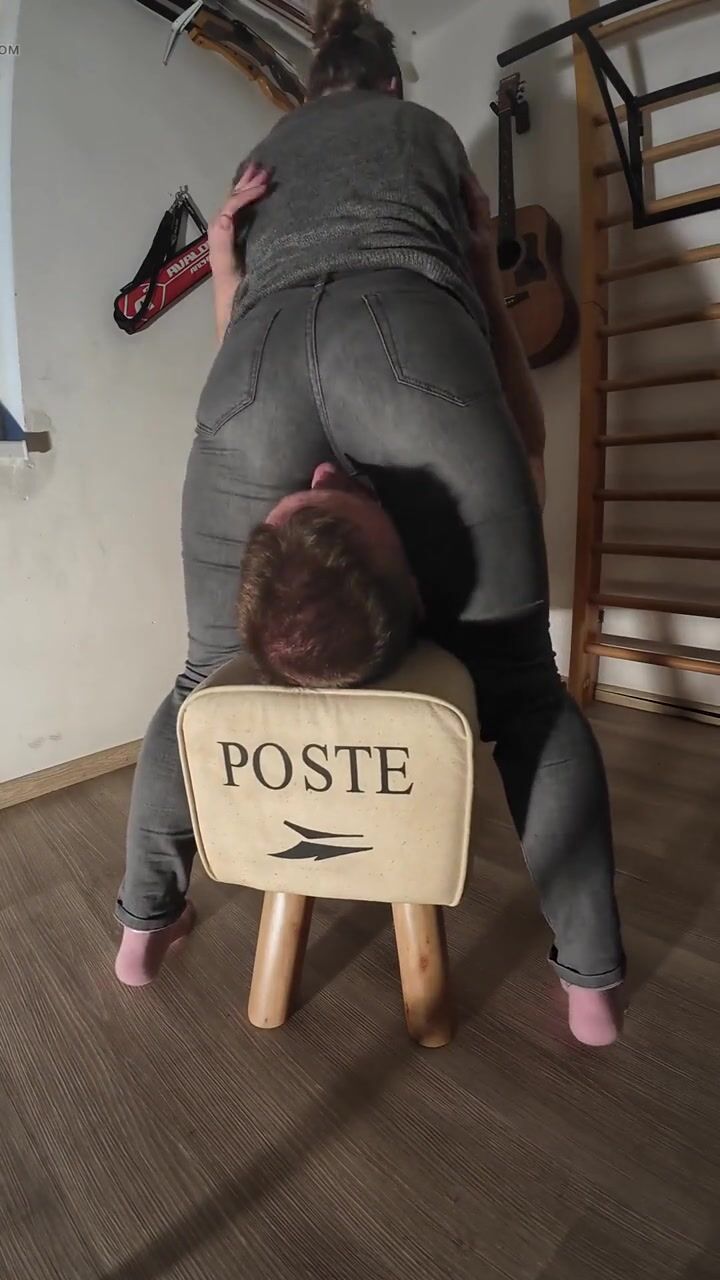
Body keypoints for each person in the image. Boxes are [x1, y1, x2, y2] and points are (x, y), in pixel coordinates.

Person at [115, 0, 625, 1046]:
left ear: (311, 90)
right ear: (391, 83)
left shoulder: (264, 154)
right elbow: (488, 316)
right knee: (524, 689)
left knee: (202, 671)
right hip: (406, 332)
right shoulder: (425, 132)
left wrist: (227, 268)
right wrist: (511, 392)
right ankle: (591, 983)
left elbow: (239, 313)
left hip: (255, 353)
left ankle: (142, 924)